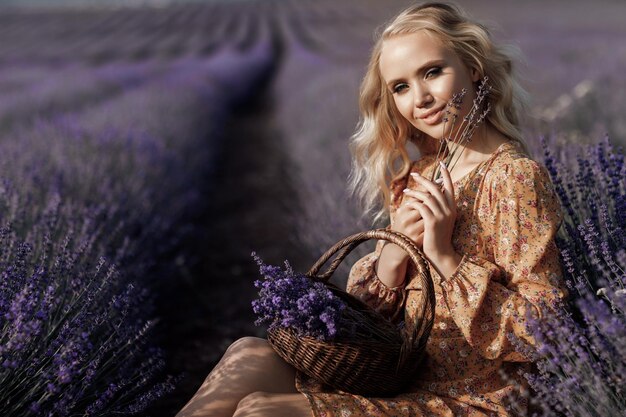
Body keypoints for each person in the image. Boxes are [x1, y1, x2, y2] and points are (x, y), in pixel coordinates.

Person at [176, 2, 568, 416]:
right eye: (400, 87)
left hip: (473, 399)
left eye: (432, 71)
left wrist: (446, 257)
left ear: (473, 67)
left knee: (260, 411)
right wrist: (392, 257)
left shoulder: (514, 180)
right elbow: (369, 322)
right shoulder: (420, 174)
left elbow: (545, 331)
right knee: (246, 354)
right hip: (398, 377)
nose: (421, 98)